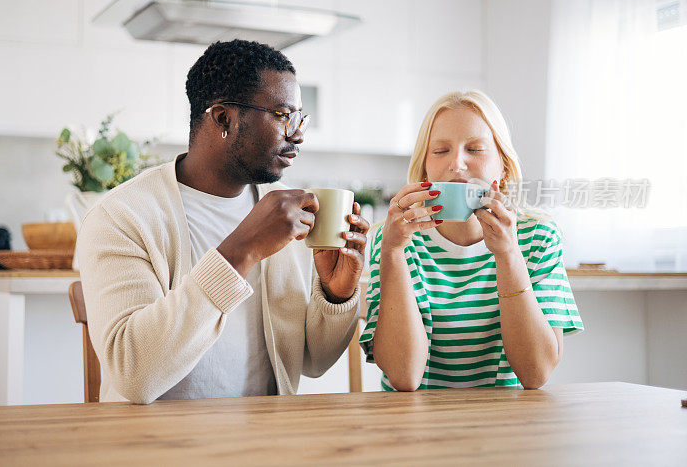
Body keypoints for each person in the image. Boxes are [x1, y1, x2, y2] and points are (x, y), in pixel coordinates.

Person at [76, 39, 369, 403]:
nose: (298, 134)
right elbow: (135, 375)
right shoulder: (121, 217)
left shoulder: (290, 214)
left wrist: (336, 293)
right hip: (154, 449)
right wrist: (241, 250)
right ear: (223, 118)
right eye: (282, 115)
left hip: (267, 445)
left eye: (299, 118)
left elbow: (313, 362)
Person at [360, 90, 583, 391]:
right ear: (424, 167)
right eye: (440, 151)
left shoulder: (538, 235)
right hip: (413, 426)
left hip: (508, 424)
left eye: (475, 149)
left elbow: (536, 372)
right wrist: (392, 253)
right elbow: (404, 376)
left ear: (503, 165)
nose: (457, 164)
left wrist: (508, 255)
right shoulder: (390, 239)